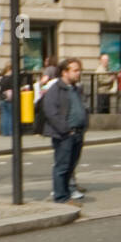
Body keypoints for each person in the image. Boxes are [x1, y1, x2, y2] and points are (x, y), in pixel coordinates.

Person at [40, 57, 88, 203]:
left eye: (79, 70)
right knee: (62, 166)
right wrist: (66, 130)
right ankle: (60, 197)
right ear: (64, 72)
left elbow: (83, 108)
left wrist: (84, 124)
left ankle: (66, 195)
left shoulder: (76, 88)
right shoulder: (55, 89)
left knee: (71, 166)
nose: (78, 73)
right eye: (75, 70)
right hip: (65, 134)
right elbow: (50, 112)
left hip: (78, 133)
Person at [0, 62, 14, 137]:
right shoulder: (11, 78)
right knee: (11, 115)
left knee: (4, 115)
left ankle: (4, 132)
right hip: (10, 99)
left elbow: (0, 89)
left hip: (2, 98)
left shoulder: (2, 78)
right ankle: (11, 132)